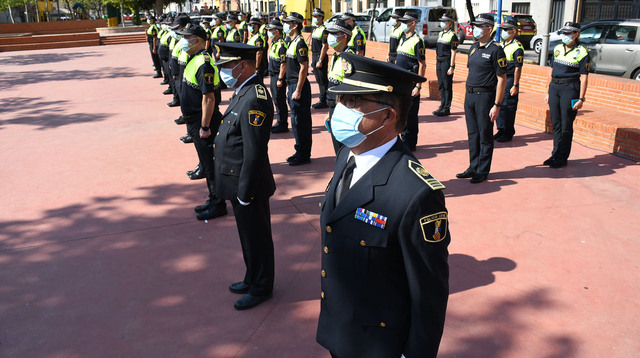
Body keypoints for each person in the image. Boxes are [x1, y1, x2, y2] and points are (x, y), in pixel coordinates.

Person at [316, 52, 450, 358]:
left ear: (389, 116)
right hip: (342, 332)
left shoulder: (415, 193)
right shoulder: (348, 156)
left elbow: (428, 294)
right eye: (339, 100)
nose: (340, 111)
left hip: (380, 347)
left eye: (353, 103)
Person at [214, 42, 276, 310]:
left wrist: (245, 192)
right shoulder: (243, 90)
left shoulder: (255, 98)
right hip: (238, 181)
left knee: (258, 237)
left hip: (248, 185)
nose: (223, 72)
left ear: (244, 65)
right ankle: (252, 277)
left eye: (228, 66)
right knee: (247, 236)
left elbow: (254, 152)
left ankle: (262, 287)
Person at [175, 23, 228, 221]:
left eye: (186, 37)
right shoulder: (195, 59)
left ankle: (218, 204)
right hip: (196, 120)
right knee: (207, 164)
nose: (183, 41)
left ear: (197, 40)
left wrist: (205, 126)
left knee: (211, 165)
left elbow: (209, 98)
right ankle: (213, 198)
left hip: (203, 121)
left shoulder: (203, 62)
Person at [457, 14, 507, 184]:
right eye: (475, 25)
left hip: (485, 97)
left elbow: (502, 79)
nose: (475, 28)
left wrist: (497, 105)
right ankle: (473, 166)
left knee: (485, 134)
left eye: (479, 26)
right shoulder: (473, 47)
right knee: (472, 134)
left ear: (489, 29)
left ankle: (483, 169)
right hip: (470, 95)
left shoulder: (496, 50)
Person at [544, 21, 590, 168]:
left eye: (569, 33)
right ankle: (555, 154)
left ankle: (562, 157)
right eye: (564, 33)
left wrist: (581, 98)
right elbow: (550, 72)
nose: (565, 35)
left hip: (570, 88)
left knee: (566, 125)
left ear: (577, 34)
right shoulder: (557, 48)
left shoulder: (582, 51)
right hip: (555, 88)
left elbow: (584, 77)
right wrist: (547, 91)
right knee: (556, 124)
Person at [283, 12, 312, 166]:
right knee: (295, 121)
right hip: (292, 84)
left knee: (301, 122)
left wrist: (298, 89)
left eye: (288, 23)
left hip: (298, 85)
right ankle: (299, 150)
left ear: (295, 25)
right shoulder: (292, 41)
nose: (285, 25)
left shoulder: (300, 43)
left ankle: (304, 154)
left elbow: (303, 68)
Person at [394, 10, 426, 152]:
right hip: (401, 82)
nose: (403, 24)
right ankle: (402, 138)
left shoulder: (418, 41)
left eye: (406, 22)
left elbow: (422, 64)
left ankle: (410, 142)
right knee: (401, 111)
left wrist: (418, 86)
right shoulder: (402, 37)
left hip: (411, 83)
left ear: (413, 23)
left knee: (411, 114)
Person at [324, 19, 354, 154]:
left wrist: (339, 110)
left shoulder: (349, 58)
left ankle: (346, 173)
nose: (330, 37)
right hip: (333, 107)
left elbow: (350, 87)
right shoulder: (336, 56)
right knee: (337, 146)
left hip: (343, 109)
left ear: (344, 36)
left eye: (334, 33)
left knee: (344, 147)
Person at [494, 19, 525, 142]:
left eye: (507, 30)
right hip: (500, 78)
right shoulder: (501, 45)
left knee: (508, 106)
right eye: (503, 30)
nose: (504, 32)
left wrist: (516, 85)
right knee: (499, 103)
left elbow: (518, 67)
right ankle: (501, 129)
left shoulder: (517, 47)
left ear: (514, 31)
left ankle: (508, 131)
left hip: (510, 79)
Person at [433, 13, 459, 117]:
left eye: (444, 21)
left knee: (447, 85)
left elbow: (453, 52)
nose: (442, 23)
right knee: (441, 85)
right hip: (439, 61)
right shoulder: (441, 34)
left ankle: (446, 107)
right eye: (442, 21)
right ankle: (442, 105)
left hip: (446, 61)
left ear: (449, 23)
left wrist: (451, 66)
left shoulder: (453, 35)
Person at [266, 18, 289, 134]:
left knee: (279, 100)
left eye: (271, 30)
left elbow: (283, 64)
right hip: (273, 75)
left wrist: (280, 78)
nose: (269, 32)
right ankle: (280, 121)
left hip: (278, 76)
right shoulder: (274, 44)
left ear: (277, 31)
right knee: (276, 99)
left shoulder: (281, 45)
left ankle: (283, 123)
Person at [310, 8, 329, 109]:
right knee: (318, 79)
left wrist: (320, 60)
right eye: (314, 16)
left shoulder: (324, 30)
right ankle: (322, 99)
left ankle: (324, 100)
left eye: (316, 16)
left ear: (321, 17)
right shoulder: (315, 29)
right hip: (314, 55)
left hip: (320, 55)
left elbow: (324, 46)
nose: (314, 18)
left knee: (322, 80)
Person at [246, 16, 267, 80]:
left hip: (256, 65)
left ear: (256, 26)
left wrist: (256, 67)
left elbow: (259, 53)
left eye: (251, 25)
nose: (249, 27)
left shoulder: (258, 38)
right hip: (251, 64)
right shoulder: (252, 36)